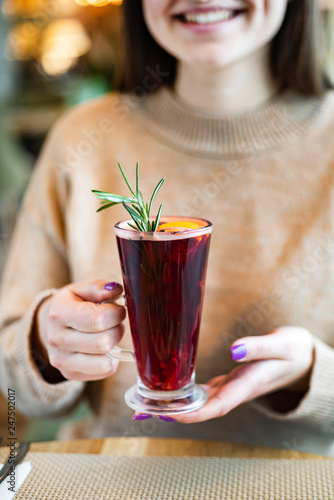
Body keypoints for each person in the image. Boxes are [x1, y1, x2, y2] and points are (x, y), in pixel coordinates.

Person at [1, 0, 334, 455]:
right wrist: (43, 343)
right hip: (110, 478)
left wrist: (313, 375)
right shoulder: (81, 138)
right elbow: (12, 384)